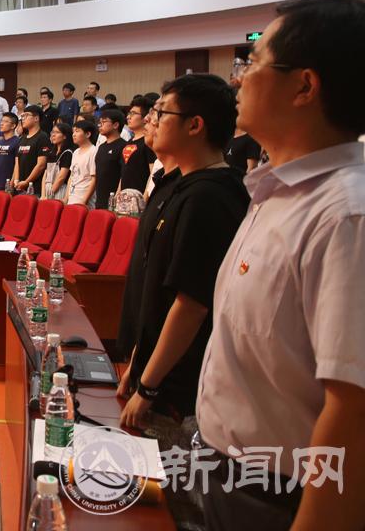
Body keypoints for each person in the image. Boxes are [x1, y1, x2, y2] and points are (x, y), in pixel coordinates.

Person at [196, 0, 365, 529]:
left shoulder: (346, 214)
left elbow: (353, 411)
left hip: (281, 498)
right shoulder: (276, 191)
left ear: (305, 86)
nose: (238, 79)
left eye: (252, 63)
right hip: (224, 471)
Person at [116, 74, 250, 531]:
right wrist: (137, 360)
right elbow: (156, 293)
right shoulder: (179, 184)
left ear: (195, 125)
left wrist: (149, 386)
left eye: (161, 113)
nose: (151, 121)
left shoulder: (210, 196)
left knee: (176, 507)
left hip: (177, 391)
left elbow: (190, 304)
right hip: (155, 372)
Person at [119, 96, 157, 194]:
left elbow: (153, 173)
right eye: (129, 113)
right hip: (124, 198)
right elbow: (124, 173)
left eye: (133, 113)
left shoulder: (148, 142)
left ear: (145, 117)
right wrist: (118, 193)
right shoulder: (129, 142)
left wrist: (145, 198)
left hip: (139, 197)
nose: (128, 117)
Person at [12, 106, 52, 196]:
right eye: (22, 116)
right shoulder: (22, 138)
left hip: (33, 188)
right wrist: (16, 180)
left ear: (36, 118)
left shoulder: (42, 137)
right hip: (19, 186)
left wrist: (26, 182)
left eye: (26, 115)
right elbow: (17, 162)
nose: (23, 119)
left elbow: (41, 165)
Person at [95, 107, 129, 210]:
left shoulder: (124, 146)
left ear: (115, 125)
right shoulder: (101, 147)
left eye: (104, 122)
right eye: (100, 122)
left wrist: (118, 195)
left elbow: (124, 174)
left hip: (114, 199)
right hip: (99, 198)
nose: (100, 125)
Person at [66, 119, 98, 207]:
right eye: (73, 132)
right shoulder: (76, 152)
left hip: (84, 199)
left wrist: (84, 201)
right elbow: (72, 176)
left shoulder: (93, 151)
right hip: (72, 196)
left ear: (88, 134)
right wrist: (66, 197)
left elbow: (94, 179)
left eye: (77, 131)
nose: (73, 134)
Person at [42, 120, 74, 200]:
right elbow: (45, 174)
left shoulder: (67, 153)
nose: (53, 135)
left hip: (59, 189)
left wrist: (49, 195)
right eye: (52, 132)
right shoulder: (51, 152)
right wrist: (43, 194)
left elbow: (61, 177)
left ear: (65, 136)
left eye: (57, 132)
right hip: (47, 189)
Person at [0, 112, 21, 192]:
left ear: (13, 126)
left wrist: (11, 183)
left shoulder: (17, 141)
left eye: (5, 121)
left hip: (8, 185)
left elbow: (17, 164)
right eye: (1, 121)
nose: (1, 123)